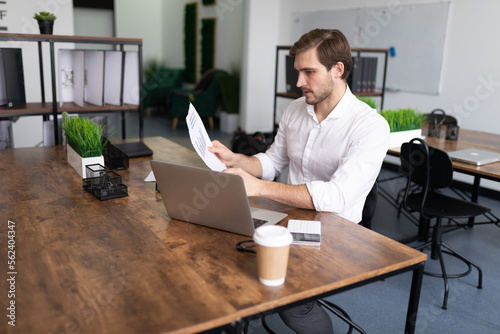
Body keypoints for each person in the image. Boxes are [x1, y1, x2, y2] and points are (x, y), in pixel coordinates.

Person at [209, 29, 389, 333]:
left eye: (309, 72)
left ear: (338, 70)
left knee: (289, 296)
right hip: (287, 218)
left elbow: (336, 197)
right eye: (298, 72)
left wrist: (261, 188)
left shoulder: (370, 127)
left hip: (335, 234)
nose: (299, 83)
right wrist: (235, 160)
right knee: (219, 251)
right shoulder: (295, 109)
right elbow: (272, 161)